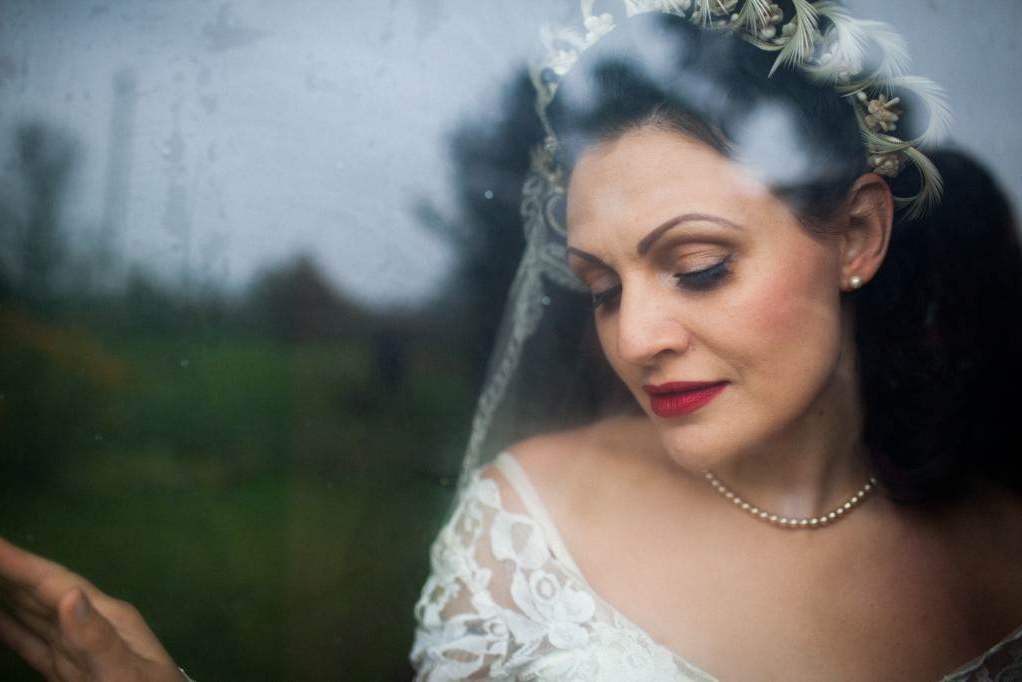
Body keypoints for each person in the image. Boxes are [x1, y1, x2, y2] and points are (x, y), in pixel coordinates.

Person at [409, 2, 1022, 681]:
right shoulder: (528, 531)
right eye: (604, 290)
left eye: (699, 268)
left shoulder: (998, 559)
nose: (636, 339)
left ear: (855, 236)